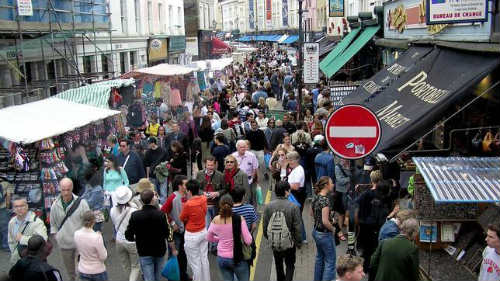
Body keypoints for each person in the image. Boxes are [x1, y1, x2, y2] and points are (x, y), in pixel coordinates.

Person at [125, 189, 176, 281]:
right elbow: (168, 233)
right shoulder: (161, 214)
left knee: (148, 277)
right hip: (159, 249)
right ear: (153, 200)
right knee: (159, 276)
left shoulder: (135, 215)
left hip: (143, 250)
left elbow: (128, 235)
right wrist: (173, 248)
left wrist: (136, 240)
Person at [50, 178, 90, 281]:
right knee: (70, 272)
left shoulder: (82, 203)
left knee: (81, 271)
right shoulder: (55, 205)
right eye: (63, 190)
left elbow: (88, 221)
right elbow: (53, 224)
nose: (66, 193)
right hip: (64, 244)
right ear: (59, 189)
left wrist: (86, 237)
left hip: (79, 243)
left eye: (68, 189)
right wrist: (56, 236)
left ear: (72, 188)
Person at [207, 195, 253, 281]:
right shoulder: (239, 219)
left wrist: (219, 239)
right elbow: (248, 240)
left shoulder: (215, 220)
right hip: (237, 257)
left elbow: (209, 237)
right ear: (232, 204)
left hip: (222, 258)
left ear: (220, 205)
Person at [263, 181, 303, 281]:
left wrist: (271, 238)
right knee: (290, 265)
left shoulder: (268, 206)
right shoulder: (294, 207)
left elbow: (265, 227)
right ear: (287, 192)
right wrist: (298, 242)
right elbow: (297, 227)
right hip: (290, 242)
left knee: (278, 265)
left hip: (275, 242)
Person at [356, 177, 391, 272]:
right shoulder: (380, 201)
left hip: (363, 225)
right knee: (372, 250)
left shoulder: (366, 194)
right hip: (373, 229)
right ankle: (370, 268)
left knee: (366, 250)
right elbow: (380, 220)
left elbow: (356, 203)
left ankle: (365, 267)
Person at [161, 175, 191, 281]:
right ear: (179, 186)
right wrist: (172, 222)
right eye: (185, 184)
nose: (188, 185)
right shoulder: (173, 197)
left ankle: (183, 275)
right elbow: (163, 211)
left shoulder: (188, 195)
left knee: (184, 255)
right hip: (176, 232)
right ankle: (173, 278)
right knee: (174, 255)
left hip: (186, 231)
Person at [180, 180, 211, 281]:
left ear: (189, 191)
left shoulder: (188, 204)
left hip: (192, 235)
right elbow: (205, 211)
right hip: (203, 231)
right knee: (204, 259)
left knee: (195, 263)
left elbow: (182, 217)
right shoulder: (203, 199)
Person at [110, 186, 140, 281]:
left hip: (119, 240)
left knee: (125, 265)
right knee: (135, 266)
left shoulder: (112, 210)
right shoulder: (134, 211)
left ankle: (129, 278)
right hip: (132, 242)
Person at [8, 196, 48, 265]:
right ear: (13, 209)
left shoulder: (36, 222)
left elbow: (43, 240)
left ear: (27, 206)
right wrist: (14, 253)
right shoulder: (12, 222)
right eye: (16, 206)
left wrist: (22, 239)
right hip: (17, 261)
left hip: (34, 261)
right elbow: (11, 240)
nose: (19, 209)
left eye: (22, 206)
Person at [311, 177, 337, 281]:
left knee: (320, 258)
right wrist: (333, 229)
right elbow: (325, 221)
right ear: (326, 185)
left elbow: (311, 213)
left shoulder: (315, 197)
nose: (333, 184)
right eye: (331, 183)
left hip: (316, 231)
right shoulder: (325, 200)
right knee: (330, 262)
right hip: (325, 234)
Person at [74, 210, 108, 281]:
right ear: (94, 221)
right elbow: (103, 257)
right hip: (97, 270)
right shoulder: (97, 237)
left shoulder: (76, 234)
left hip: (83, 269)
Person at [195, 156, 226, 231]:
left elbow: (225, 189)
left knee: (216, 227)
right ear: (205, 165)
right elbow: (196, 188)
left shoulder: (220, 175)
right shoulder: (199, 174)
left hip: (216, 205)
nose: (210, 167)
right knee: (208, 227)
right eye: (208, 165)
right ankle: (209, 242)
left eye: (212, 165)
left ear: (215, 165)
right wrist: (203, 193)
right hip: (204, 205)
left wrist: (217, 193)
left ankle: (214, 242)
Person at [232, 140, 259, 207]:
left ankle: (253, 212)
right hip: (238, 181)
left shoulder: (251, 155)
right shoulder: (233, 156)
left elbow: (255, 168)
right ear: (237, 148)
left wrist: (252, 179)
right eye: (241, 147)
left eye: (244, 147)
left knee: (252, 197)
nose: (243, 149)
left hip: (250, 180)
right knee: (239, 198)